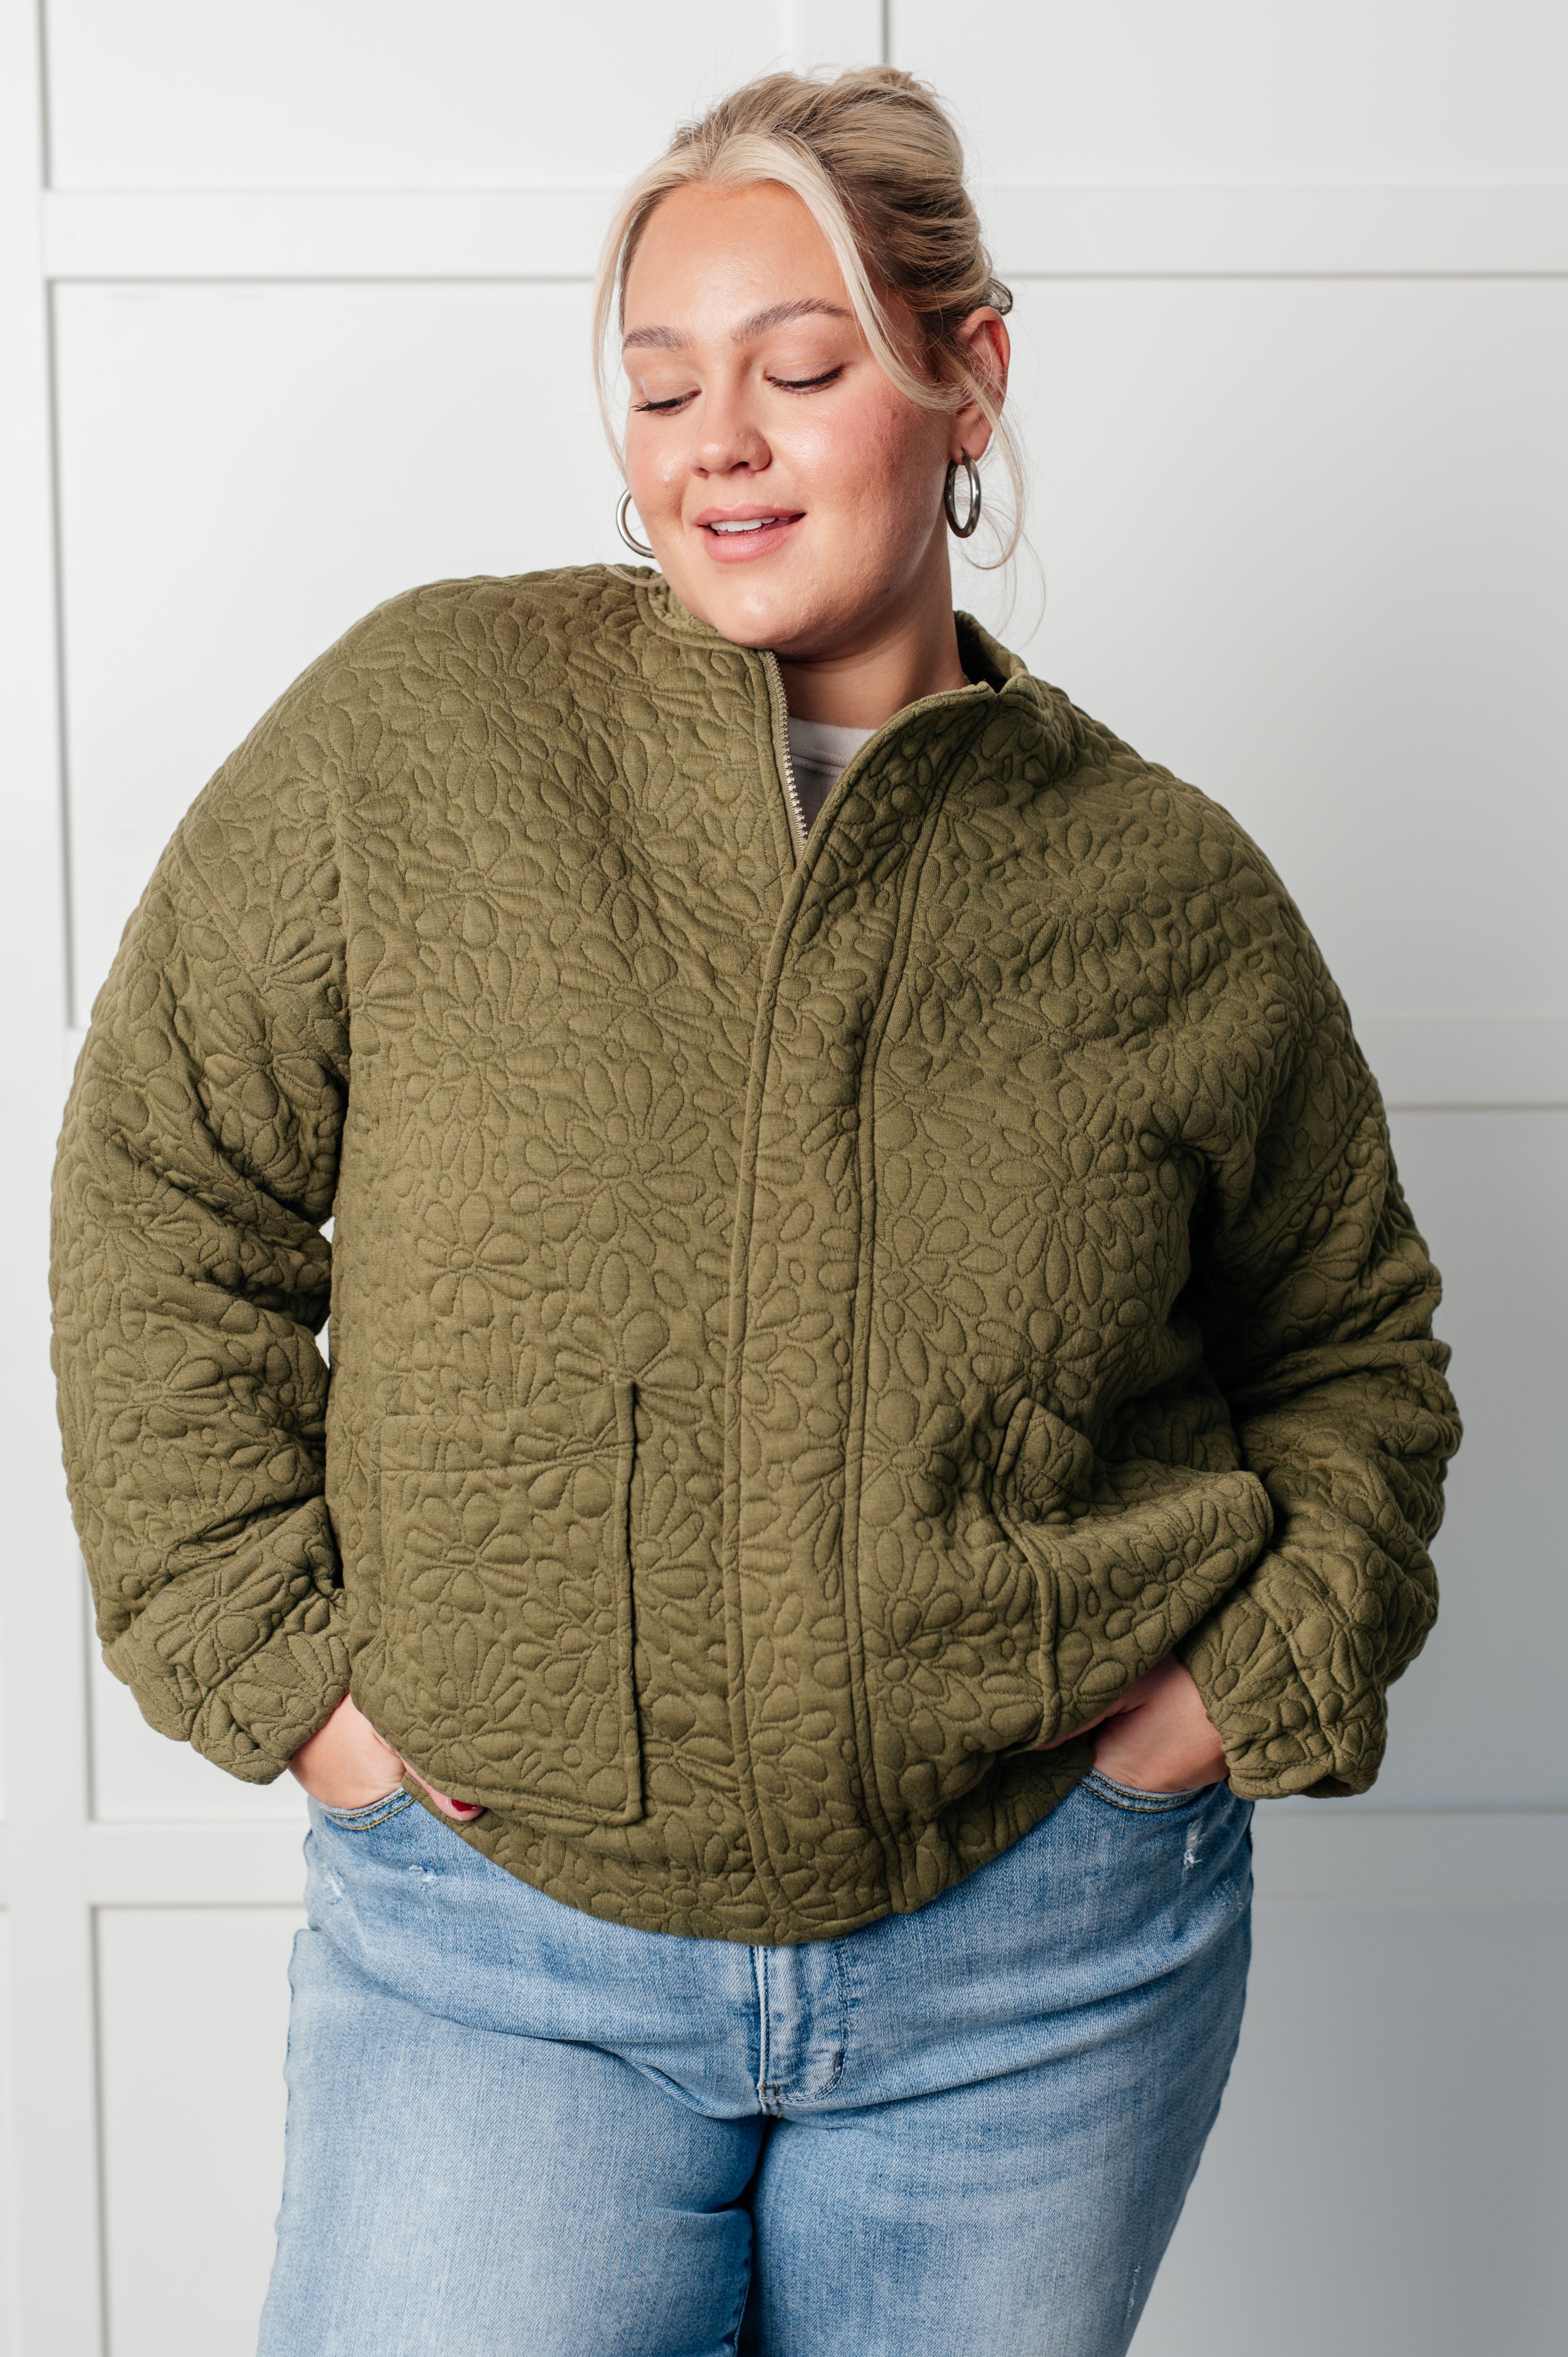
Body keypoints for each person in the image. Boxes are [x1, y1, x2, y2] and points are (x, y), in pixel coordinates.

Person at [50, 65, 1461, 2357]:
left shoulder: (1162, 895)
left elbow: (1348, 1352)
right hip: (496, 1952)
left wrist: (1210, 1710)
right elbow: (164, 1183)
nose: (718, 436)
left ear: (964, 377)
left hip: (1041, 1970)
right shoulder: (418, 738)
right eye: (658, 382)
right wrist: (291, 1682)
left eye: (799, 369)